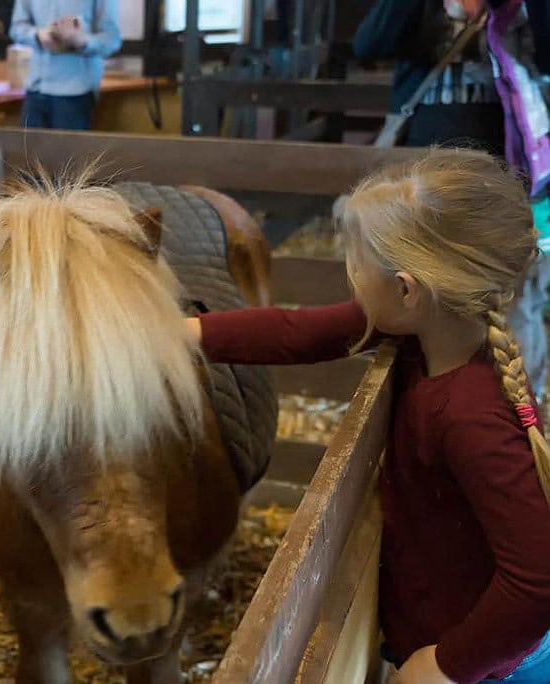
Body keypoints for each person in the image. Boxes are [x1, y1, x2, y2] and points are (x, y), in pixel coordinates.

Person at [186, 150, 550, 684]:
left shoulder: (471, 416)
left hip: (492, 664)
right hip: (462, 634)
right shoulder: (425, 332)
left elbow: (540, 579)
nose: (350, 276)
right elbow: (299, 332)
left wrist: (446, 665)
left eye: (355, 263)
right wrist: (186, 334)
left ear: (406, 289)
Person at [353, 0, 550, 400]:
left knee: (514, 300)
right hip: (426, 179)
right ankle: (427, 405)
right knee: (421, 296)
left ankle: (519, 413)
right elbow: (369, 43)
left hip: (509, 178)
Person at [9, 0, 121, 130]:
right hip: (35, 87)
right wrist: (37, 35)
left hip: (75, 91)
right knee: (27, 149)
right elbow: (16, 27)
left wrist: (81, 40)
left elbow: (112, 39)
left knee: (69, 150)